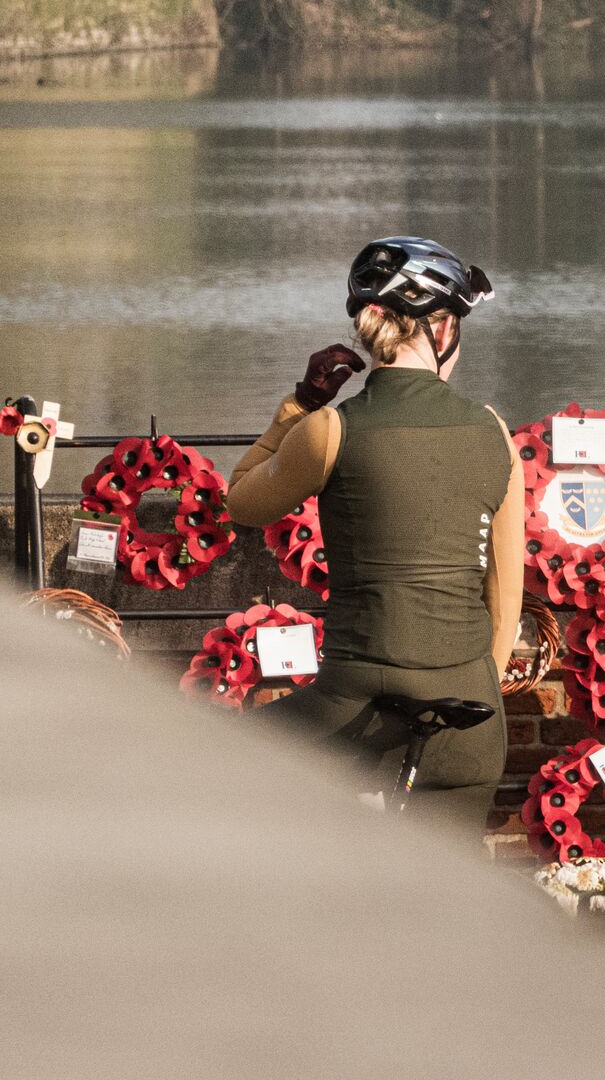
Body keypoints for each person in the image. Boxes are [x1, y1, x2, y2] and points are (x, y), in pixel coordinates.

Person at [227, 236, 524, 836]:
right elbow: (505, 600)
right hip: (469, 712)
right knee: (450, 893)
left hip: (351, 713)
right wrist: (470, 688)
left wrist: (301, 404)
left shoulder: (329, 429)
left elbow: (242, 501)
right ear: (441, 332)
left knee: (226, 762)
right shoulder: (495, 432)